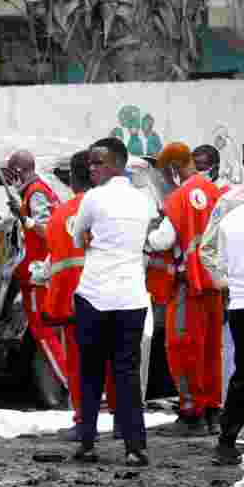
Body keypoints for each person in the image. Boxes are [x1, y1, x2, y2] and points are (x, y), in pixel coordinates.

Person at [70, 137, 152, 466]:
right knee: (127, 373)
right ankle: (135, 446)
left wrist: (93, 240)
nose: (91, 168)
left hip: (94, 294)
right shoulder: (143, 200)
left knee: (90, 370)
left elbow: (78, 236)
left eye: (98, 162)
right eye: (90, 163)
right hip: (132, 295)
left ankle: (87, 442)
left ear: (117, 163)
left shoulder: (93, 198)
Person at [34, 151, 117, 442]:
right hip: (112, 295)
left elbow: (56, 263)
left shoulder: (60, 214)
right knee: (115, 360)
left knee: (81, 364)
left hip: (74, 303)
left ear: (71, 178)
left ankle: (84, 422)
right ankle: (122, 421)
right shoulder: (111, 207)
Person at [147, 142, 224, 435]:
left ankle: (192, 415)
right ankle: (213, 413)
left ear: (173, 169)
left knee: (183, 348)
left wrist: (151, 231)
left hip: (187, 286)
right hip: (214, 285)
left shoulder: (178, 198)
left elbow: (163, 241)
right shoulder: (216, 192)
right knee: (210, 350)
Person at [208, 135, 244, 465]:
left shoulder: (236, 210)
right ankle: (227, 440)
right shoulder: (231, 203)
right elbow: (208, 249)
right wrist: (227, 283)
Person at [5, 151, 67, 392]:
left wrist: (24, 219)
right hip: (39, 270)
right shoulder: (36, 191)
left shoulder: (36, 192)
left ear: (19, 170)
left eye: (12, 171)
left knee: (44, 333)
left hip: (37, 273)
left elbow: (46, 230)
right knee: (50, 333)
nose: (11, 177)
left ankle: (71, 386)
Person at [194, 143, 235, 406]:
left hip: (233, 272)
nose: (199, 172)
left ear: (216, 166)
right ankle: (221, 398)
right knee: (217, 343)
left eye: (203, 167)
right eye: (195, 166)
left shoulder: (228, 194)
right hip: (212, 275)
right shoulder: (197, 193)